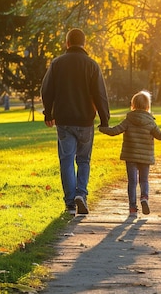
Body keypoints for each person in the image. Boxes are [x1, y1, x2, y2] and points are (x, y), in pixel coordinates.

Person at [41, 28, 110, 216]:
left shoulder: (57, 64)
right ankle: (81, 194)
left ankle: (70, 203)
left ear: (67, 43)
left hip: (64, 120)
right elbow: (100, 95)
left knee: (66, 160)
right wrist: (104, 120)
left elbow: (46, 90)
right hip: (85, 120)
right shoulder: (92, 65)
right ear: (84, 43)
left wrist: (49, 113)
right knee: (84, 160)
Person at [99, 90, 161, 216]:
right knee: (144, 180)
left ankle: (132, 208)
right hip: (145, 157)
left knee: (132, 182)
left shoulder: (128, 120)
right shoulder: (150, 122)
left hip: (130, 156)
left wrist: (103, 129)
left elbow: (115, 131)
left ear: (133, 104)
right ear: (148, 106)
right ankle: (144, 197)